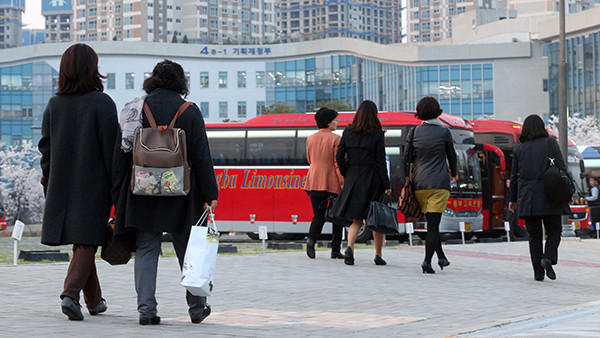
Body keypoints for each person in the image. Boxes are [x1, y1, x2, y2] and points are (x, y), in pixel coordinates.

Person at [112, 60, 219, 325]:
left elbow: (120, 153)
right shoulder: (189, 111)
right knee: (187, 250)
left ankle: (146, 310)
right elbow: (201, 155)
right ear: (181, 82)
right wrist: (210, 192)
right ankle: (196, 307)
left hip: (142, 189)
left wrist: (118, 193)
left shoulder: (135, 108)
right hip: (181, 190)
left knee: (147, 249)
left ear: (153, 79)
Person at [38, 43, 117, 320]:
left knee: (83, 241)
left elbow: (45, 149)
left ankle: (95, 302)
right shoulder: (102, 103)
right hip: (94, 186)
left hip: (59, 184)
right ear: (91, 69)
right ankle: (70, 295)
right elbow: (112, 151)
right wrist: (116, 189)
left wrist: (49, 181)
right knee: (86, 241)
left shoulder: (54, 104)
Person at [508, 114, 570, 282]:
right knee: (554, 229)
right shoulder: (550, 143)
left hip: (528, 197)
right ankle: (548, 258)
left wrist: (512, 199)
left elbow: (514, 176)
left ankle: (538, 273)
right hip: (550, 194)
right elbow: (562, 169)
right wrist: (568, 193)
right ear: (542, 127)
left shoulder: (519, 148)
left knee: (534, 235)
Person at [333, 100, 391, 266]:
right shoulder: (377, 134)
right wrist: (386, 185)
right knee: (375, 218)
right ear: (374, 115)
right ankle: (378, 255)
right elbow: (380, 162)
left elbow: (339, 156)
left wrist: (347, 172)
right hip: (372, 178)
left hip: (353, 177)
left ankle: (350, 247)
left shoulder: (348, 131)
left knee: (357, 219)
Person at [407, 96, 457, 274]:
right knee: (434, 225)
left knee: (430, 224)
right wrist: (455, 174)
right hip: (439, 183)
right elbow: (452, 156)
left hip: (419, 183)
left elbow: (407, 158)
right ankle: (427, 261)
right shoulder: (444, 132)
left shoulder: (413, 132)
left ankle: (441, 256)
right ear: (438, 112)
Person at [305, 107, 345, 259]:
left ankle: (311, 240)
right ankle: (335, 250)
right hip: (331, 182)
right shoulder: (336, 139)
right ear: (328, 122)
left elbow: (310, 160)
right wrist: (342, 183)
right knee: (337, 217)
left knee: (318, 216)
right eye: (335, 119)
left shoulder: (310, 138)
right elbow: (337, 163)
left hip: (314, 180)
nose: (336, 122)